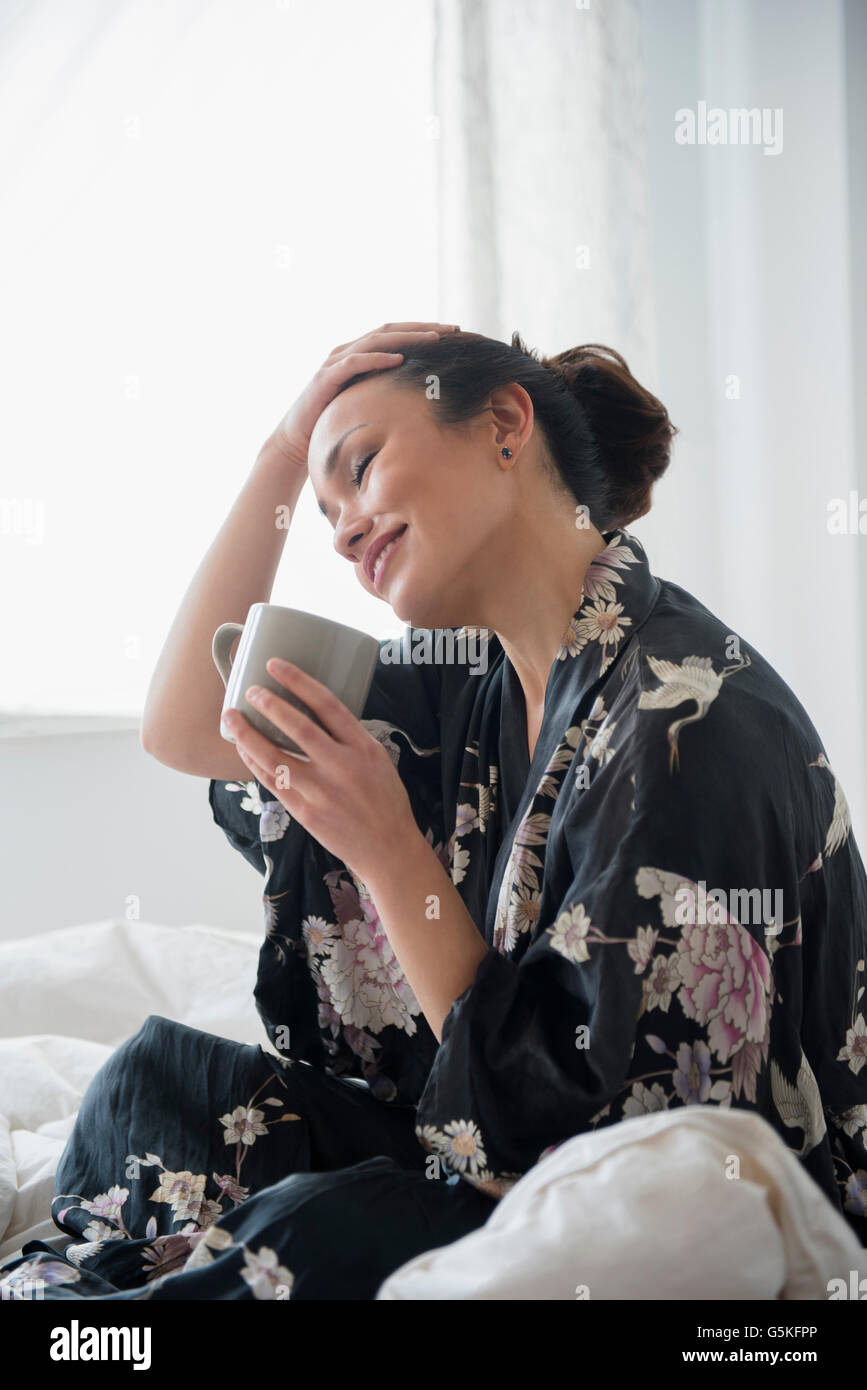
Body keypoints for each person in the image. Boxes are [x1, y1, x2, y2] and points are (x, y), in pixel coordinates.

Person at [3, 321, 865, 1303]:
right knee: (158, 1087)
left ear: (504, 424)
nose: (342, 529)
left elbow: (598, 1161)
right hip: (497, 1134)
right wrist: (282, 458)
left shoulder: (686, 723)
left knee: (308, 1231)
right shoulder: (468, 680)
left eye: (360, 467)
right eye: (326, 510)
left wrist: (389, 851)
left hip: (617, 1190)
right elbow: (192, 726)